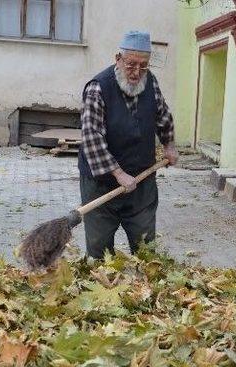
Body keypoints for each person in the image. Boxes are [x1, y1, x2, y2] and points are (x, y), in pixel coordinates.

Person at [78, 30, 179, 259]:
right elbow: (92, 138)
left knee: (146, 250)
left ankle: (145, 290)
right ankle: (103, 290)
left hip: (142, 182)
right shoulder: (98, 88)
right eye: (131, 64)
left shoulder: (149, 81)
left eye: (143, 66)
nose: (136, 72)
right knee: (100, 252)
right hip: (101, 184)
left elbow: (163, 115)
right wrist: (118, 173)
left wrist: (169, 145)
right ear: (118, 59)